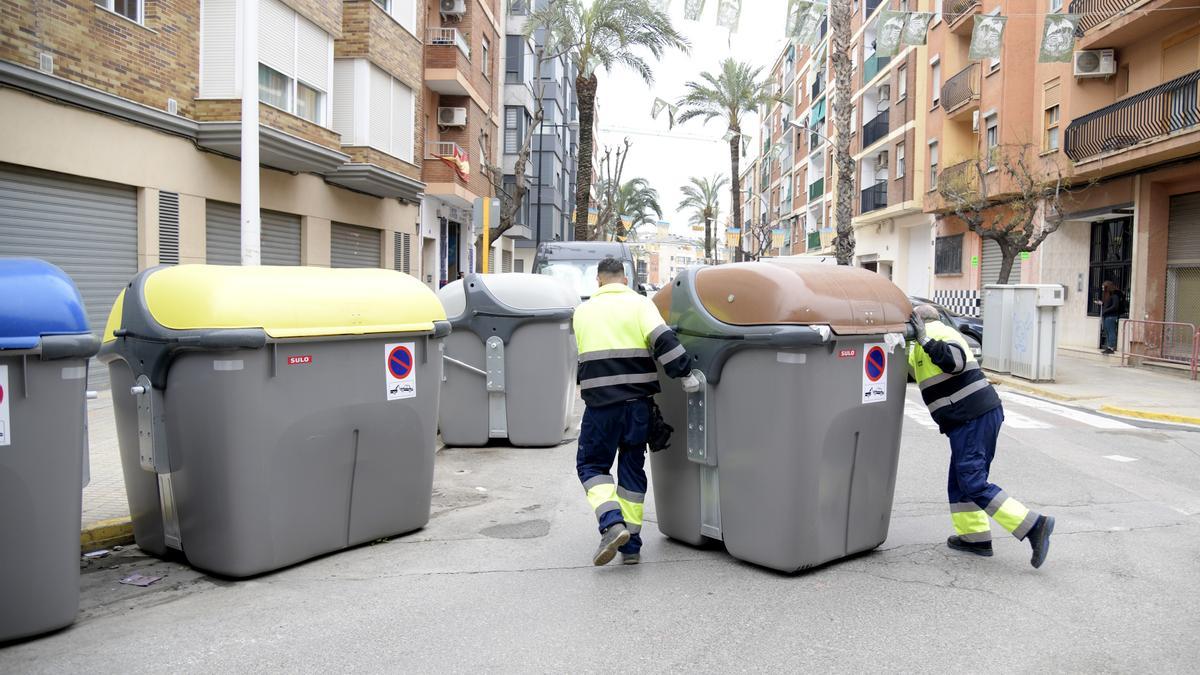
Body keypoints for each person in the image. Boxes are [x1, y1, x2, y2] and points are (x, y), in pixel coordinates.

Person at [572, 257, 700, 566]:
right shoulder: (639, 304)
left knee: (591, 466)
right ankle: (631, 547)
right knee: (631, 469)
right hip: (637, 406)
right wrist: (686, 375)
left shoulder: (582, 311)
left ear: (599, 282)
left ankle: (611, 523)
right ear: (625, 280)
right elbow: (665, 342)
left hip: (601, 408)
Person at [908, 304, 1055, 568]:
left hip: (972, 417)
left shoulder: (940, 334)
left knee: (973, 481)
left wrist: (924, 338)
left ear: (920, 321)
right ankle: (974, 539)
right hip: (969, 419)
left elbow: (954, 361)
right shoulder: (919, 345)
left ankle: (1035, 524)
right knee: (960, 481)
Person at [1097, 280, 1124, 354]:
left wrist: (1106, 310)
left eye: (1104, 287)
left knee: (1111, 331)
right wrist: (1102, 304)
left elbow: (1115, 306)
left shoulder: (1115, 296)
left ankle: (1111, 347)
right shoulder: (1109, 296)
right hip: (1107, 316)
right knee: (1107, 332)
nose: (1102, 289)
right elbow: (1109, 305)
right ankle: (1108, 347)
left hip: (1111, 316)